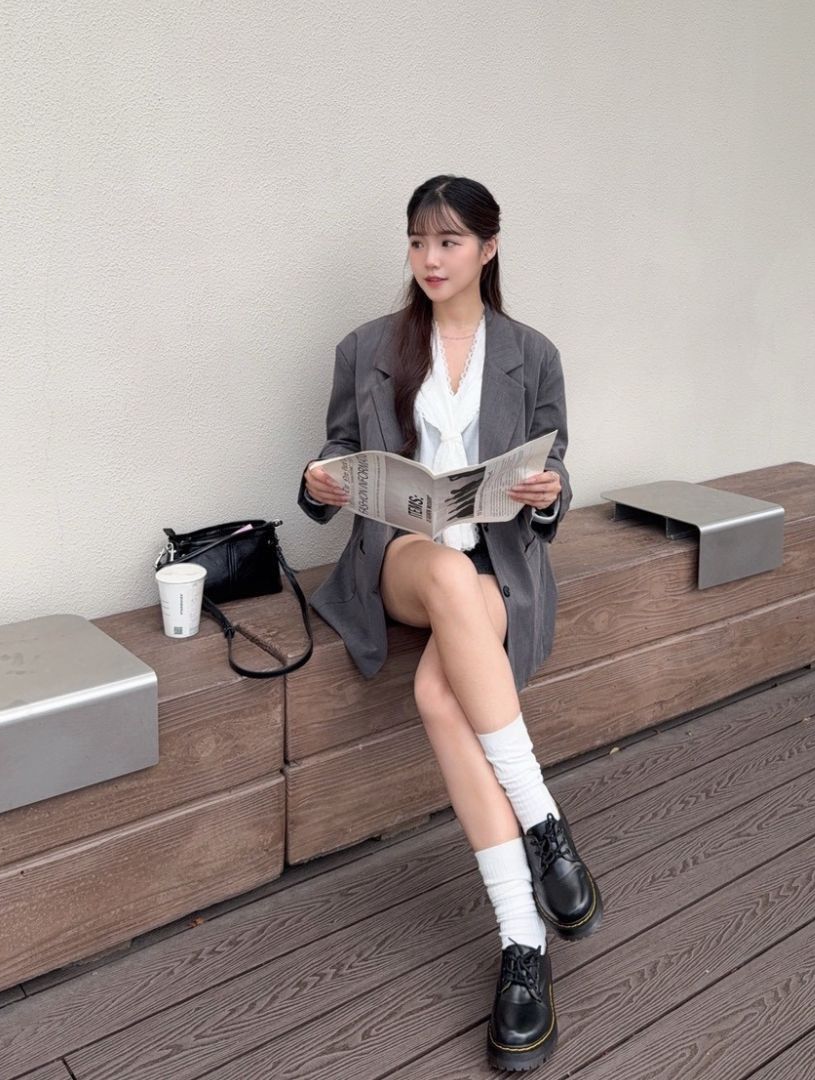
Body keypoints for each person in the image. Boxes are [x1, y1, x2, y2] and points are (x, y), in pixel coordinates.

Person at [297, 175, 603, 1072]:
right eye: (418, 241)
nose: (429, 259)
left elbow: (556, 470)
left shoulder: (533, 354)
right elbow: (338, 450)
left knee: (439, 698)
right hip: (404, 559)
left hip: (497, 568)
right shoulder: (367, 347)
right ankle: (545, 822)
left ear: (488, 248)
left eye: (449, 241)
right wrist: (322, 480)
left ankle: (522, 942)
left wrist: (547, 493)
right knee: (438, 568)